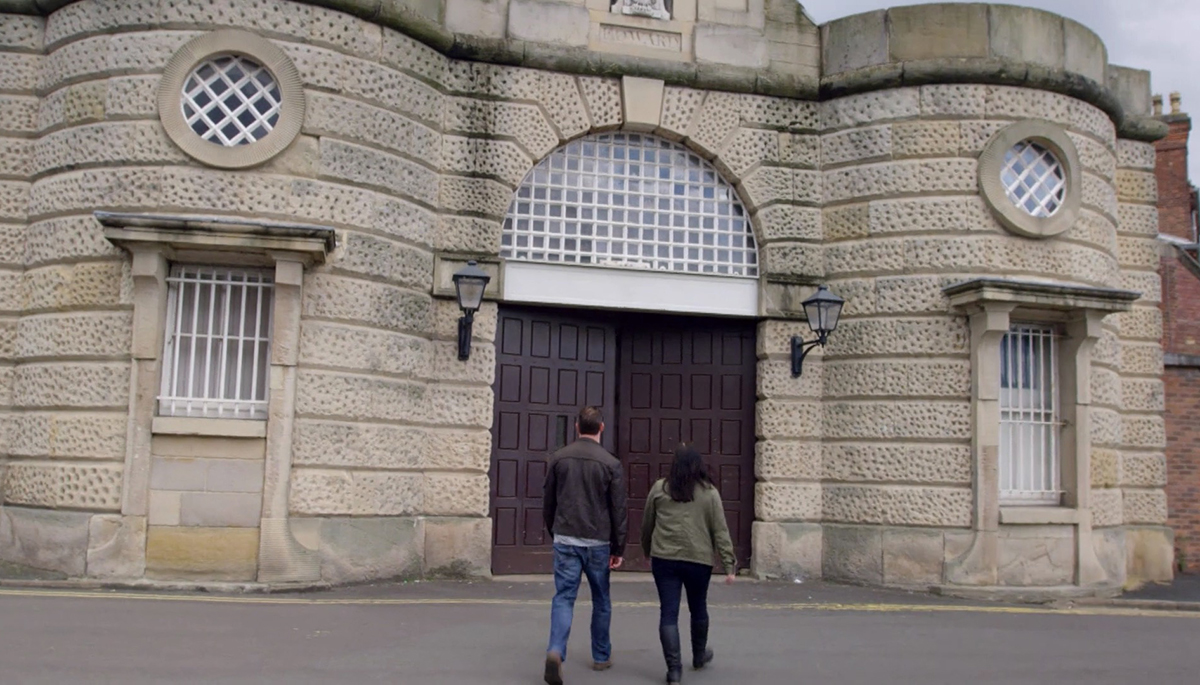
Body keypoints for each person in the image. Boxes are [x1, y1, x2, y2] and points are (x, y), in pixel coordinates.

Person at [541, 406, 628, 685]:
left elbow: (548, 501)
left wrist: (554, 530)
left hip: (566, 537)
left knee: (564, 597)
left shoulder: (559, 458)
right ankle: (601, 656)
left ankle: (555, 651)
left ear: (577, 427)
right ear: (601, 428)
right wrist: (619, 547)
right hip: (598, 542)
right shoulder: (611, 463)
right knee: (601, 599)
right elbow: (618, 509)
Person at [640, 443, 736, 685]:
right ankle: (699, 655)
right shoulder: (710, 493)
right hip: (698, 559)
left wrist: (646, 549)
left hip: (665, 559)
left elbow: (647, 523)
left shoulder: (660, 489)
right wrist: (729, 564)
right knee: (698, 607)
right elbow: (720, 530)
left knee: (668, 613)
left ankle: (674, 670)